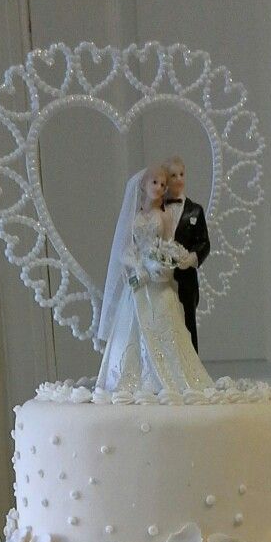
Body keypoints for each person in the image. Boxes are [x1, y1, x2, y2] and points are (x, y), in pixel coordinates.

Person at [95, 165, 212, 395]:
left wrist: (162, 263)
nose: (159, 188)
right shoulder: (134, 216)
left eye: (162, 184)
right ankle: (131, 377)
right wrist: (138, 266)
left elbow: (169, 245)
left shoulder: (165, 216)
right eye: (155, 183)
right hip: (139, 281)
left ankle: (168, 378)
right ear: (143, 185)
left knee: (166, 325)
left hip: (159, 281)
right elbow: (125, 249)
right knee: (132, 326)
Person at [163, 155, 210, 353]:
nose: (179, 179)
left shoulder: (195, 211)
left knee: (188, 320)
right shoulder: (158, 208)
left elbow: (204, 242)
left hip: (186, 277)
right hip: (163, 277)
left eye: (181, 174)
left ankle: (193, 366)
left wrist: (191, 258)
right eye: (173, 175)